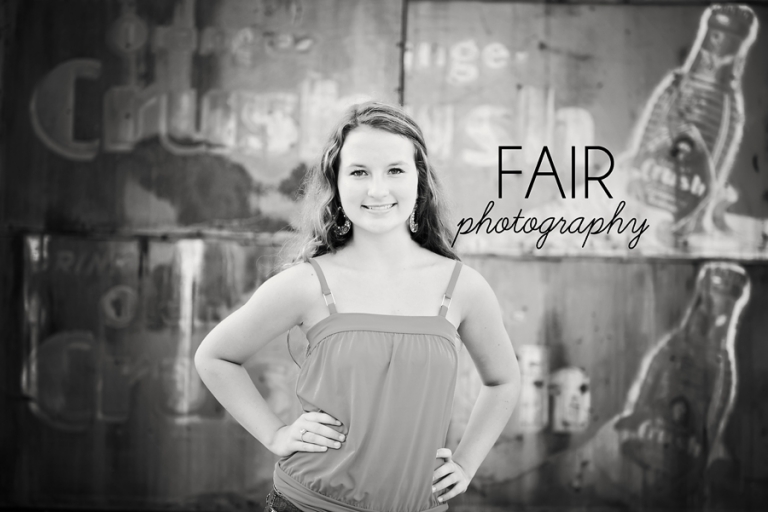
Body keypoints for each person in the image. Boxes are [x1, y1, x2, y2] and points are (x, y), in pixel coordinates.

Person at [194, 101, 520, 512]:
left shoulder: (463, 287)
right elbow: (215, 357)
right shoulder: (307, 283)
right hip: (308, 504)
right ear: (336, 182)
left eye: (395, 170)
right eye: (359, 172)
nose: (377, 190)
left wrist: (467, 462)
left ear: (420, 180)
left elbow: (504, 381)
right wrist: (276, 434)